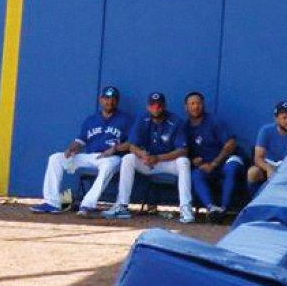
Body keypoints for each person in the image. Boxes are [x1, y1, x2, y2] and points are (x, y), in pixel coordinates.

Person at [30, 86, 131, 215]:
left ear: (117, 101)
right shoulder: (91, 120)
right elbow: (80, 141)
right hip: (90, 157)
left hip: (112, 158)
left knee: (107, 165)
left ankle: (87, 205)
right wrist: (71, 148)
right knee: (56, 158)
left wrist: (115, 149)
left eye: (112, 99)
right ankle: (52, 203)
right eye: (106, 98)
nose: (109, 102)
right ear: (101, 100)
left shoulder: (126, 120)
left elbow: (131, 143)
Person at [104, 92, 193, 223]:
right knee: (128, 159)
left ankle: (186, 208)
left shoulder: (175, 121)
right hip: (147, 161)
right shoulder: (142, 118)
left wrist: (158, 158)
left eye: (159, 106)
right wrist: (142, 155)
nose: (156, 108)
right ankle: (122, 205)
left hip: (166, 162)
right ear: (148, 107)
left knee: (184, 162)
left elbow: (183, 150)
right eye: (153, 106)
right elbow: (132, 145)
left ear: (164, 106)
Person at [183, 91, 242, 219]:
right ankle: (212, 209)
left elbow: (231, 143)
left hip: (226, 160)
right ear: (186, 107)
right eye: (192, 104)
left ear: (203, 105)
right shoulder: (185, 127)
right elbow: (183, 150)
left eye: (198, 103)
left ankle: (224, 209)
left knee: (231, 168)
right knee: (195, 175)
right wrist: (193, 160)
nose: (195, 106)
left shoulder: (214, 121)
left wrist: (214, 163)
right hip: (208, 165)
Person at [247, 101, 287, 197]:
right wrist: (269, 169)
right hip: (269, 166)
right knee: (253, 173)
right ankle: (253, 200)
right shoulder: (266, 131)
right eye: (284, 118)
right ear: (276, 119)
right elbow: (258, 158)